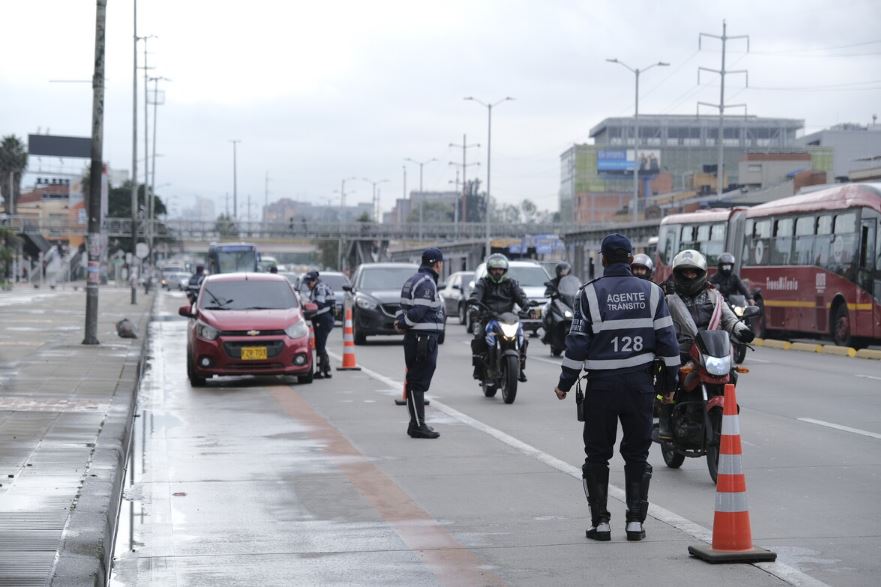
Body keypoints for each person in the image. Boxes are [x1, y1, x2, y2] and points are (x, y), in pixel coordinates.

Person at [553, 234, 680, 542]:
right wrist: (670, 384)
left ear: (604, 259)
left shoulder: (590, 294)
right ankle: (635, 523)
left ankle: (601, 524)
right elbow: (668, 340)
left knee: (597, 455)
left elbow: (577, 343)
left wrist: (565, 383)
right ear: (629, 259)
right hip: (639, 386)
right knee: (637, 453)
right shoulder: (652, 292)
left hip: (602, 389)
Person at [659, 249, 755, 438]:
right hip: (681, 349)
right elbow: (657, 323)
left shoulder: (713, 296)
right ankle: (665, 420)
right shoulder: (668, 298)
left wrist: (741, 330)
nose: (690, 276)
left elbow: (728, 318)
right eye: (685, 272)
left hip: (710, 349)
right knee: (667, 378)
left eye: (693, 272)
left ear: (701, 273)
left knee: (731, 375)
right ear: (677, 274)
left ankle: (722, 408)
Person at [395, 248, 445, 439]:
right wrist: (403, 324)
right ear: (437, 263)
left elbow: (402, 308)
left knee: (416, 381)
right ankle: (417, 425)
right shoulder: (426, 283)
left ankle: (415, 423)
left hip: (416, 338)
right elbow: (418, 311)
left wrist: (401, 322)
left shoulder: (412, 280)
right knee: (417, 383)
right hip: (422, 339)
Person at [469, 253, 531, 382]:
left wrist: (527, 306)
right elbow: (476, 295)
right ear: (489, 270)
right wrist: (474, 303)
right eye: (494, 269)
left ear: (504, 270)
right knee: (479, 338)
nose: (497, 272)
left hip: (508, 319)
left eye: (500, 269)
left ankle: (520, 368)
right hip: (488, 318)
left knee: (522, 337)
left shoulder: (511, 283)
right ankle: (478, 367)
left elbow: (521, 297)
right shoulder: (483, 282)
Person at [303, 270, 335, 379]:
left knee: (320, 345)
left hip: (323, 319)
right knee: (321, 345)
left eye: (309, 282)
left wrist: (306, 307)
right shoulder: (318, 287)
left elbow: (319, 304)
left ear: (314, 280)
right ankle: (327, 370)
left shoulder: (319, 288)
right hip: (323, 318)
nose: (307, 285)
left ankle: (319, 371)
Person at [542, 261, 574, 344]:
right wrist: (551, 293)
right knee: (550, 315)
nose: (563, 273)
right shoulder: (553, 282)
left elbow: (577, 288)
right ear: (558, 271)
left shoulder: (571, 282)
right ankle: (547, 334)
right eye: (562, 270)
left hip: (568, 304)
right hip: (557, 304)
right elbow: (547, 292)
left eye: (565, 270)